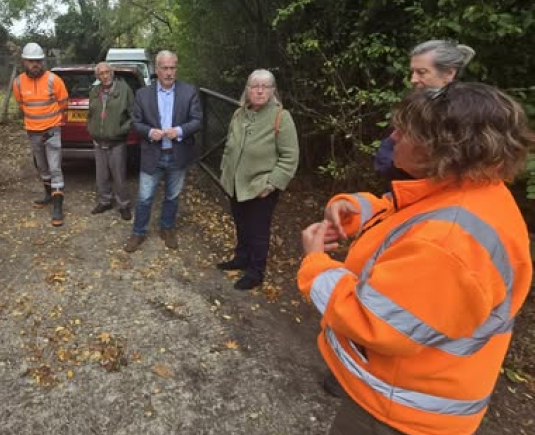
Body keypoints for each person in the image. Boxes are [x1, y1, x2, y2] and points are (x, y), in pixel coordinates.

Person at [298, 82, 533, 435]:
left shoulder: (449, 241)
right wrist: (356, 210)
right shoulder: (473, 191)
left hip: (397, 415)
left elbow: (373, 321)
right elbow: (407, 213)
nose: (392, 136)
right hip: (407, 400)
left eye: (405, 131)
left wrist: (315, 264)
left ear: (440, 149)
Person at [216, 69, 299, 290]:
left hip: (261, 187)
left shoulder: (281, 117)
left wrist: (272, 184)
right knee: (241, 224)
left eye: (265, 86)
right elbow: (229, 145)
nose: (260, 90)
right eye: (255, 86)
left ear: (272, 90)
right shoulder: (239, 114)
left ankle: (255, 272)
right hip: (236, 184)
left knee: (258, 230)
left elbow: (290, 157)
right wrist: (225, 170)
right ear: (248, 89)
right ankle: (241, 258)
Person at [123, 50, 202, 252]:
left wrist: (179, 131)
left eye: (172, 68)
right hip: (152, 153)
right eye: (165, 68)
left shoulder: (189, 91)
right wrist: (150, 132)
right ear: (156, 69)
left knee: (172, 196)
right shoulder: (143, 94)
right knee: (144, 197)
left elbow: (197, 120)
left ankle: (167, 228)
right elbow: (135, 123)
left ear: (176, 69)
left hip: (177, 154)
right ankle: (138, 232)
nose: (169, 72)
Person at [374, 40, 475, 180]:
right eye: (413, 72)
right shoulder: (415, 106)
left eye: (421, 72)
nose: (413, 79)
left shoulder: (469, 111)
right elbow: (387, 157)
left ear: (449, 73)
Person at [12, 42, 69, 226]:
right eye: (31, 61)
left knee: (55, 168)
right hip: (33, 132)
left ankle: (58, 208)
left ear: (43, 61)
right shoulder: (18, 82)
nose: (35, 64)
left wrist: (51, 121)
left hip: (52, 131)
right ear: (24, 61)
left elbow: (63, 102)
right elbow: (22, 104)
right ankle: (48, 195)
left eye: (38, 61)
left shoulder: (54, 80)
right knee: (42, 167)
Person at [87, 62, 135, 220]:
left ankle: (124, 205)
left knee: (119, 176)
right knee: (101, 175)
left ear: (112, 73)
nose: (105, 76)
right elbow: (91, 114)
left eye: (107, 72)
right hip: (98, 140)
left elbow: (134, 114)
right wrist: (91, 128)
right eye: (101, 73)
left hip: (117, 141)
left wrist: (121, 130)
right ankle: (105, 201)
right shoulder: (94, 91)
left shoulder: (124, 89)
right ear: (97, 76)